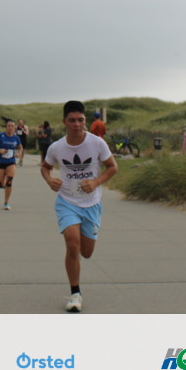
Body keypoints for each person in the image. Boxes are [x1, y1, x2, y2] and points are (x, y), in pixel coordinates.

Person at [41, 100, 118, 313]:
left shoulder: (97, 143)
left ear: (85, 121)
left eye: (80, 120)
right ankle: (75, 294)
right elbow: (45, 167)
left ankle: (77, 284)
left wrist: (96, 182)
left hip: (91, 204)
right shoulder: (57, 147)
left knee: (87, 252)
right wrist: (50, 180)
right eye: (72, 120)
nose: (77, 124)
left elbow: (113, 167)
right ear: (64, 121)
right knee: (72, 243)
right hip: (67, 202)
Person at [0, 120, 23, 210]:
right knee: (0, 184)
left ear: (14, 128)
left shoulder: (16, 138)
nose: (10, 127)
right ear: (6, 127)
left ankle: (6, 203)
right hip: (0, 162)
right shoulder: (0, 136)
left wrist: (18, 152)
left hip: (11, 161)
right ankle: (3, 182)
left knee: (9, 181)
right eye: (9, 126)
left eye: (12, 126)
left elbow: (20, 147)